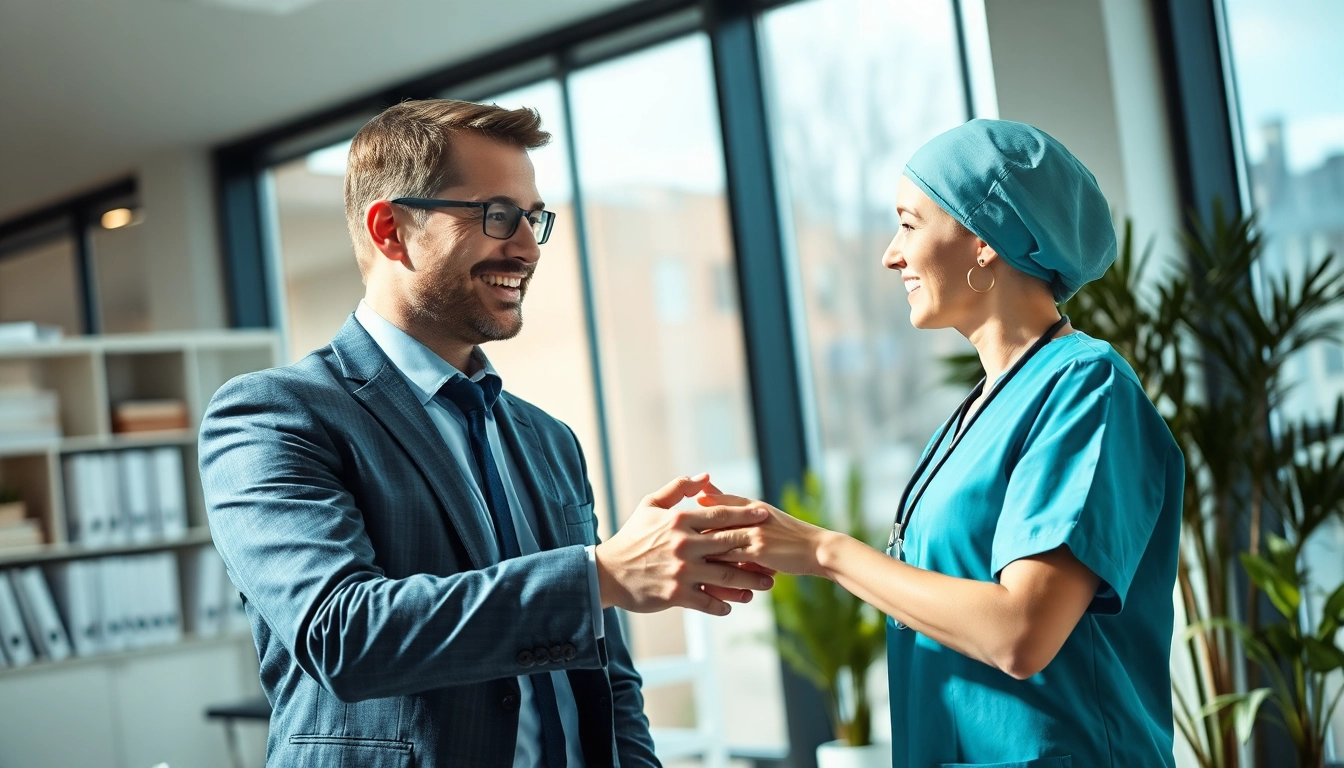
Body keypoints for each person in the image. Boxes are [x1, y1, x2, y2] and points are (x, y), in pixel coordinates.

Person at [199, 99, 775, 768]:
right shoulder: (274, 415)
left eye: (534, 218)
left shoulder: (548, 439)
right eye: (498, 215)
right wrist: (600, 577)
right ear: (391, 231)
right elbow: (343, 635)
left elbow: (607, 679)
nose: (527, 248)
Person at [703, 119, 1183, 767]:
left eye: (909, 224)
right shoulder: (974, 414)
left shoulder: (1086, 387)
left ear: (985, 240)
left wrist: (824, 551)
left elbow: (1021, 633)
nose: (890, 255)